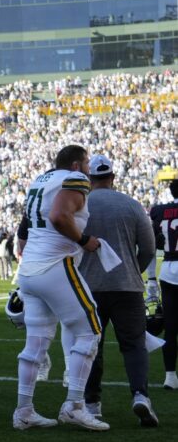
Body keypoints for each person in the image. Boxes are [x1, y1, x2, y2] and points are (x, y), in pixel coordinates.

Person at [12, 145, 108, 432]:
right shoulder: (74, 179)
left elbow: (30, 224)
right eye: (88, 164)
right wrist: (84, 240)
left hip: (29, 269)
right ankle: (75, 405)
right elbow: (58, 216)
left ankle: (24, 410)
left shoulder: (40, 180)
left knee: (36, 343)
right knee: (90, 330)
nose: (89, 171)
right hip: (55, 264)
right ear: (78, 165)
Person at [78, 154, 157, 426]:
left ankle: (91, 403)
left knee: (91, 346)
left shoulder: (81, 205)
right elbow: (148, 248)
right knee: (134, 345)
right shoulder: (132, 205)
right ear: (113, 177)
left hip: (89, 287)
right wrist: (135, 269)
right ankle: (140, 395)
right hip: (127, 285)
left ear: (90, 178)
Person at [149, 179, 178, 390]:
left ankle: (170, 376)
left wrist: (150, 279)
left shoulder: (159, 211)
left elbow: (151, 246)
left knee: (171, 326)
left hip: (168, 270)